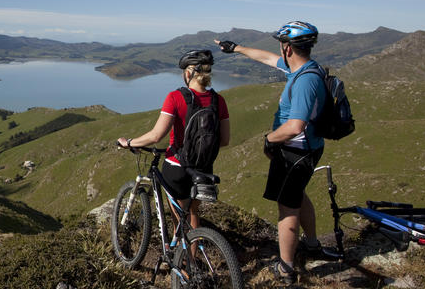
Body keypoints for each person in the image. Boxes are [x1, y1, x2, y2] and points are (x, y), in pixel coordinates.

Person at [214, 21, 336, 284]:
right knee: (298, 195)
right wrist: (235, 48)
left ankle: (286, 268)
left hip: (295, 153)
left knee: (287, 209)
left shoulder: (305, 81)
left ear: (288, 48)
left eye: (281, 45)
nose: (278, 51)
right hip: (305, 149)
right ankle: (312, 245)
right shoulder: (303, 68)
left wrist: (270, 139)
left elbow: (294, 126)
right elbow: (267, 59)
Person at [117, 49, 230, 236]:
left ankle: (180, 262)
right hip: (203, 167)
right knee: (194, 214)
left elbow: (155, 136)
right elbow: (224, 140)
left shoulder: (176, 97)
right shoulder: (219, 101)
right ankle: (190, 262)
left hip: (177, 167)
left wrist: (129, 142)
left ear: (188, 73)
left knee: (179, 219)